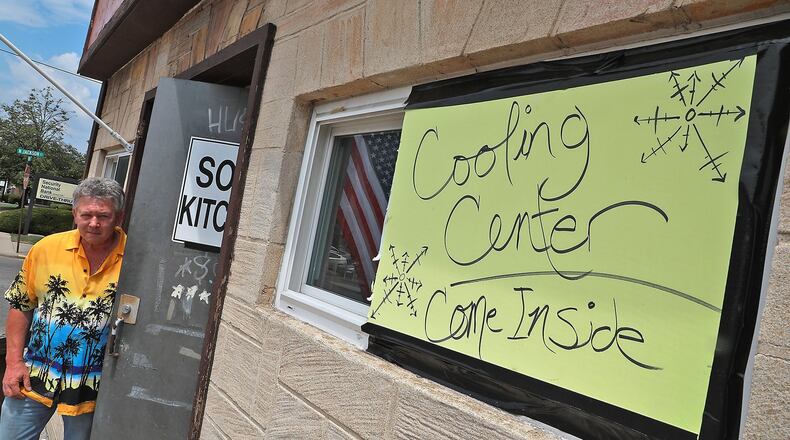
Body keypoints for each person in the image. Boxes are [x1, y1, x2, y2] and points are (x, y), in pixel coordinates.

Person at [0, 177, 127, 440]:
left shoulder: (135, 258)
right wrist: (13, 363)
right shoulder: (46, 249)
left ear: (118, 217)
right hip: (34, 371)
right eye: (87, 214)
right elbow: (21, 305)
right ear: (74, 214)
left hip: (96, 383)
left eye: (103, 215)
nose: (94, 223)